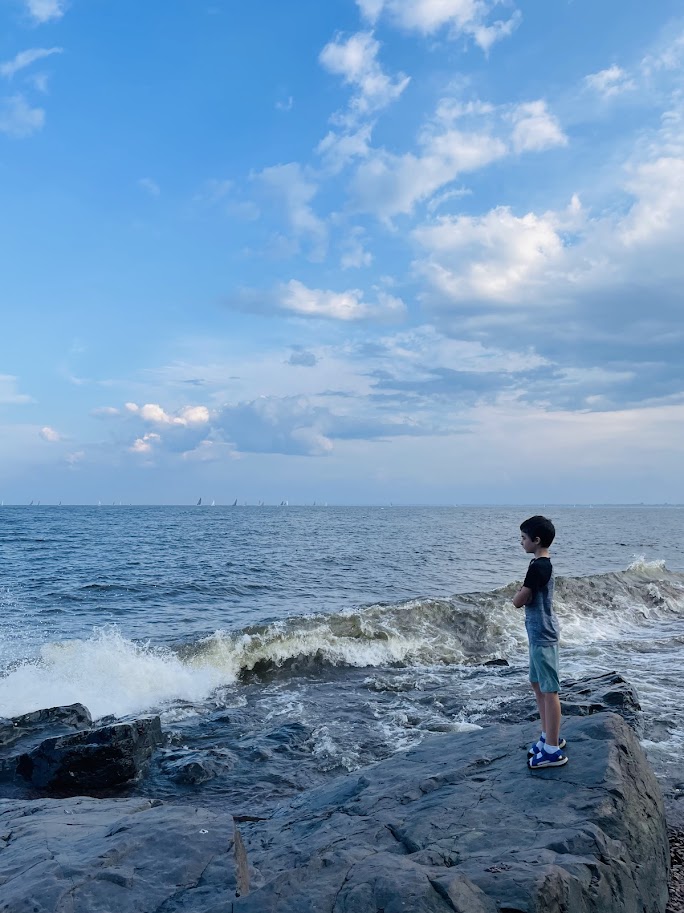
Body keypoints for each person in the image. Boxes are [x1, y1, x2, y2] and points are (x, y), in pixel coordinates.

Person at [512, 515, 568, 769]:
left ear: (536, 540)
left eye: (524, 538)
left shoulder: (539, 567)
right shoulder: (541, 564)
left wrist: (515, 595)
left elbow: (520, 599)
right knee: (537, 684)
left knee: (549, 689)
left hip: (543, 634)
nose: (521, 542)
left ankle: (553, 749)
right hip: (537, 633)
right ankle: (547, 736)